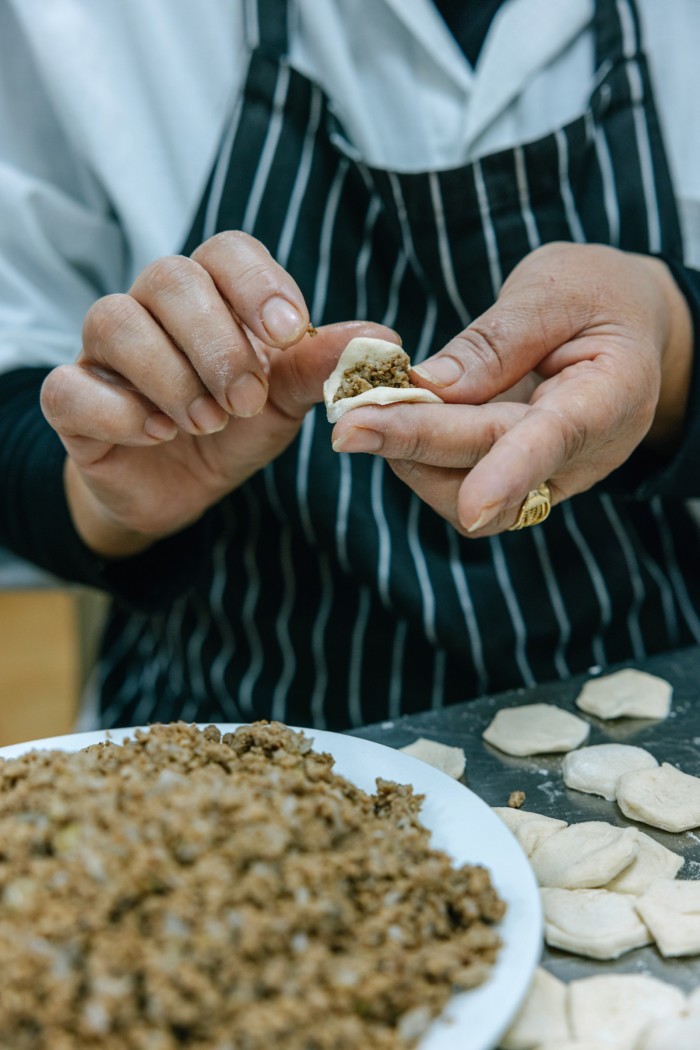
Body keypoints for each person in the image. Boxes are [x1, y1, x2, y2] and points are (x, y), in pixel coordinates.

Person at [1, 0, 699, 731]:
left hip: (658, 722)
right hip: (219, 738)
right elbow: (14, 365)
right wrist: (98, 488)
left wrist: (676, 343)